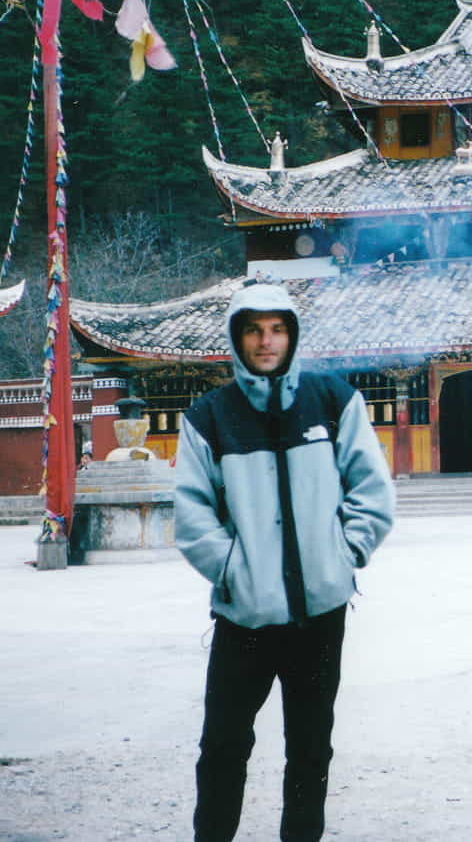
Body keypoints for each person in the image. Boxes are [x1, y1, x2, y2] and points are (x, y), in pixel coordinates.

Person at [174, 280, 395, 842]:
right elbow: (193, 516)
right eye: (253, 329)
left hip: (320, 610)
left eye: (277, 329)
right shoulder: (209, 417)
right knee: (222, 745)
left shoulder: (332, 401)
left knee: (310, 745)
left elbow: (372, 490)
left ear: (292, 335)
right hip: (244, 615)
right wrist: (234, 572)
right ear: (236, 338)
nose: (265, 341)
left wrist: (342, 557)